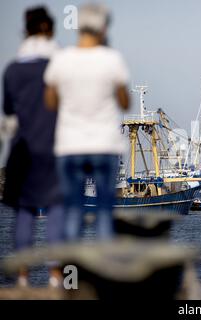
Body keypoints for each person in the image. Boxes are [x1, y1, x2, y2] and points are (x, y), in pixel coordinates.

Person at [44, 4, 130, 241]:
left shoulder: (61, 59)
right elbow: (125, 102)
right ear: (103, 29)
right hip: (104, 146)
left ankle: (70, 275)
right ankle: (102, 272)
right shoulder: (112, 59)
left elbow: (50, 101)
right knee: (104, 213)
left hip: (71, 146)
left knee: (72, 212)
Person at [2, 6, 63, 287]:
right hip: (54, 146)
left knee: (24, 212)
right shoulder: (60, 66)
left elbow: (9, 109)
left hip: (23, 147)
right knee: (55, 211)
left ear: (24, 31)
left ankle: (23, 277)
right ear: (50, 30)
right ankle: (54, 276)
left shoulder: (12, 71)